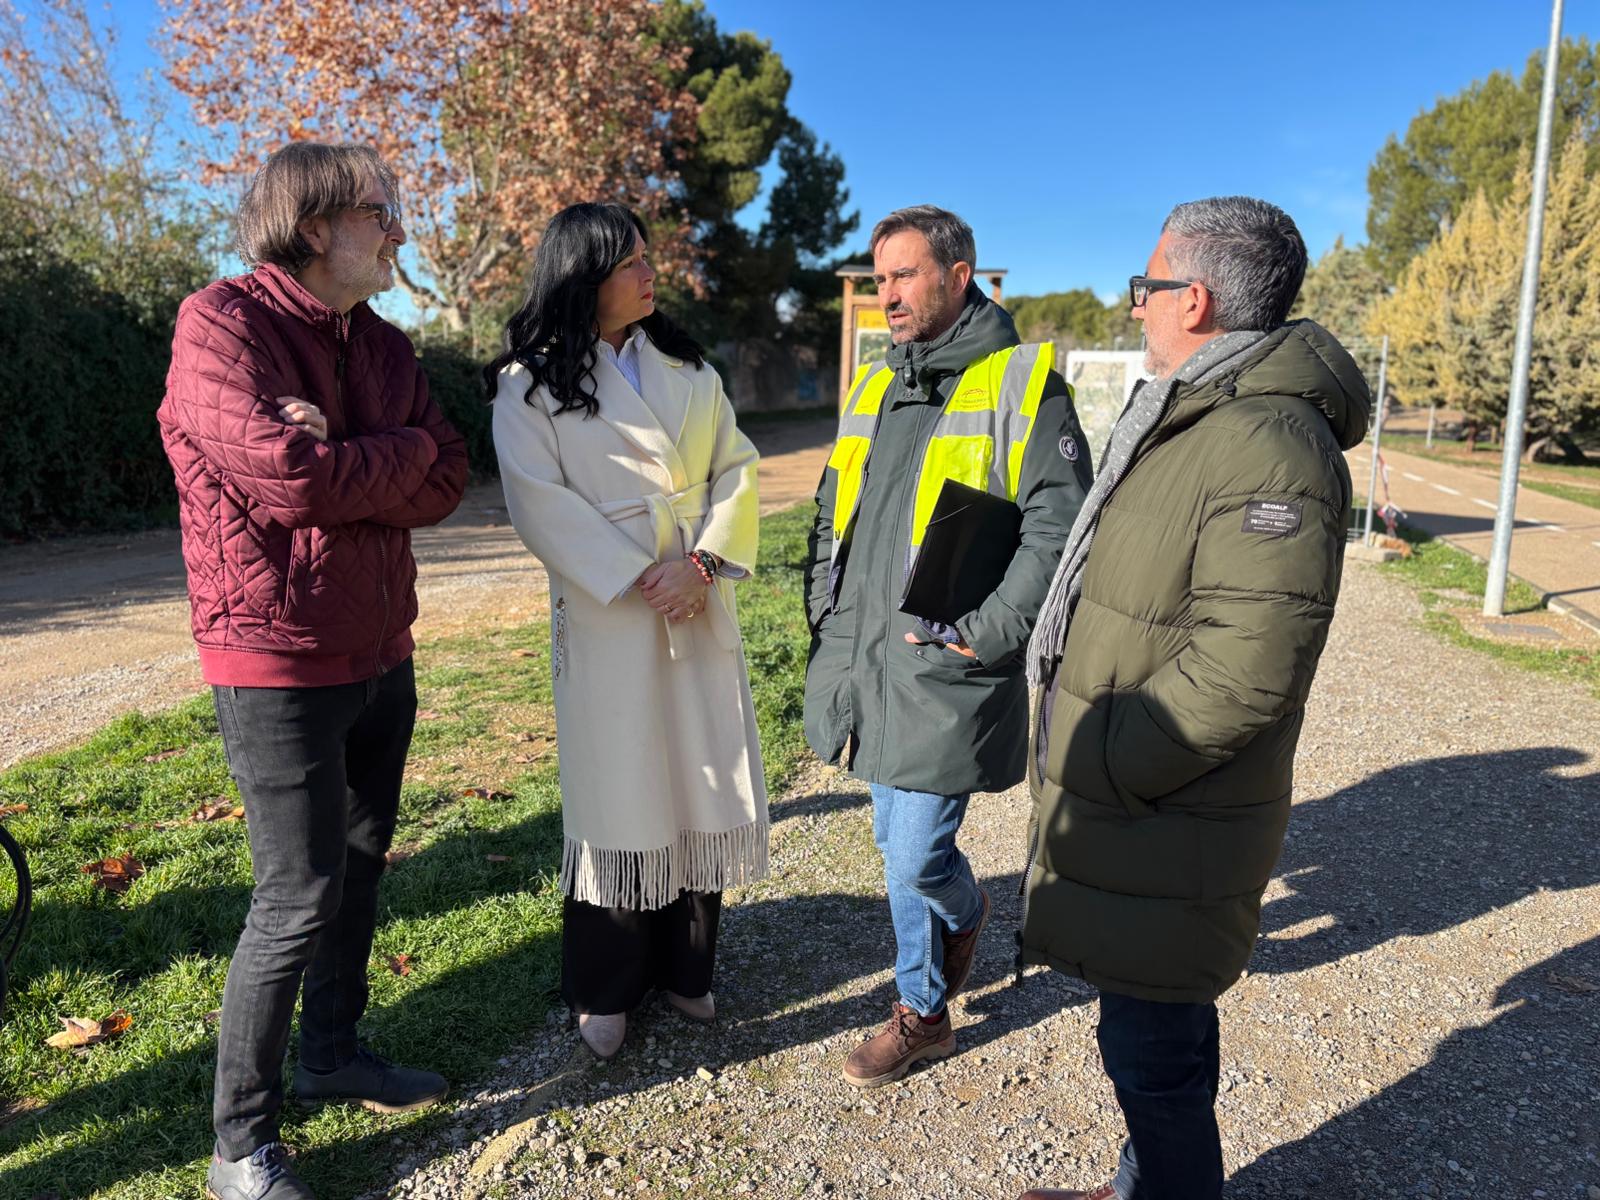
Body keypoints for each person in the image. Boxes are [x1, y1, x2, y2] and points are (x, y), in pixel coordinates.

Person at [1016, 196, 1371, 1200]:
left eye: (1146, 287)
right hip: (1143, 811)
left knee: (1155, 1056)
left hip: (1163, 808)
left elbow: (1247, 668)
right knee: (1150, 1037)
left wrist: (1102, 759)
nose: (1136, 308)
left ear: (1197, 298)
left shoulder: (1267, 442)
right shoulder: (1197, 413)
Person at [158, 142, 468, 1200]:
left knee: (362, 865)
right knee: (296, 896)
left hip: (383, 649)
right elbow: (286, 482)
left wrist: (352, 448)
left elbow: (451, 473)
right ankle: (239, 1147)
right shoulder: (220, 326)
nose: (397, 230)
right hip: (276, 660)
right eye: (381, 212)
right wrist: (375, 454)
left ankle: (332, 1054)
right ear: (313, 223)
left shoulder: (378, 341)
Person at [803, 205, 1092, 1088]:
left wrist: (990, 634)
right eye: (880, 277)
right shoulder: (876, 387)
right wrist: (825, 611)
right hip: (869, 659)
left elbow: (1063, 524)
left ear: (958, 276)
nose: (887, 293)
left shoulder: (1020, 382)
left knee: (913, 853)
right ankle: (962, 918)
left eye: (904, 275)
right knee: (902, 845)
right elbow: (829, 513)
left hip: (947, 663)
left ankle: (924, 1013)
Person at [486, 202, 766, 1062]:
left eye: (649, 258)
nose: (651, 273)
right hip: (611, 611)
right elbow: (540, 501)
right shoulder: (525, 385)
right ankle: (605, 984)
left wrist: (704, 566)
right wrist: (637, 574)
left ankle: (687, 967)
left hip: (694, 598)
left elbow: (737, 470)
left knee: (701, 775)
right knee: (621, 785)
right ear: (583, 279)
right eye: (630, 263)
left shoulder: (689, 368)